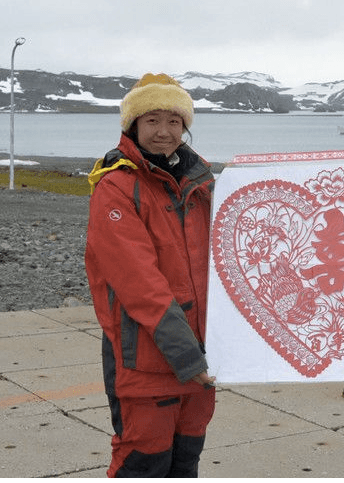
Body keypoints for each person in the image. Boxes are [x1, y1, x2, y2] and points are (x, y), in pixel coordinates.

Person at [85, 73, 217, 477]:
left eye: (174, 121)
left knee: (185, 460)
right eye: (152, 121)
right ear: (133, 126)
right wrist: (187, 356)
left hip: (203, 357)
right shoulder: (117, 186)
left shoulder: (202, 183)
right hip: (146, 359)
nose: (164, 132)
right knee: (144, 461)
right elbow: (138, 284)